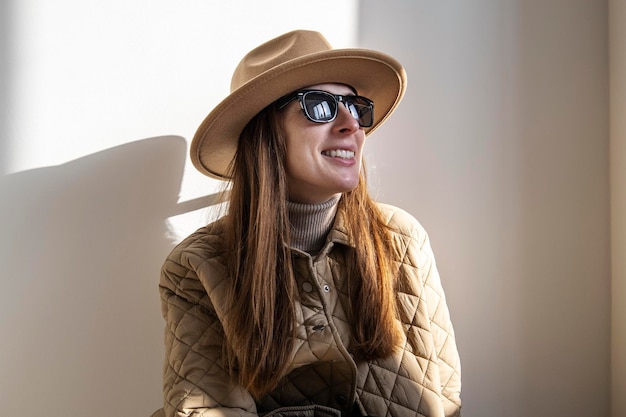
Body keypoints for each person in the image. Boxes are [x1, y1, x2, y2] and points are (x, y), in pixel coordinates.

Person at [153, 30, 461, 417]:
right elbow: (204, 408)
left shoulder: (402, 238)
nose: (352, 123)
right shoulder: (196, 266)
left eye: (355, 105)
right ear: (265, 135)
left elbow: (446, 395)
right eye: (320, 106)